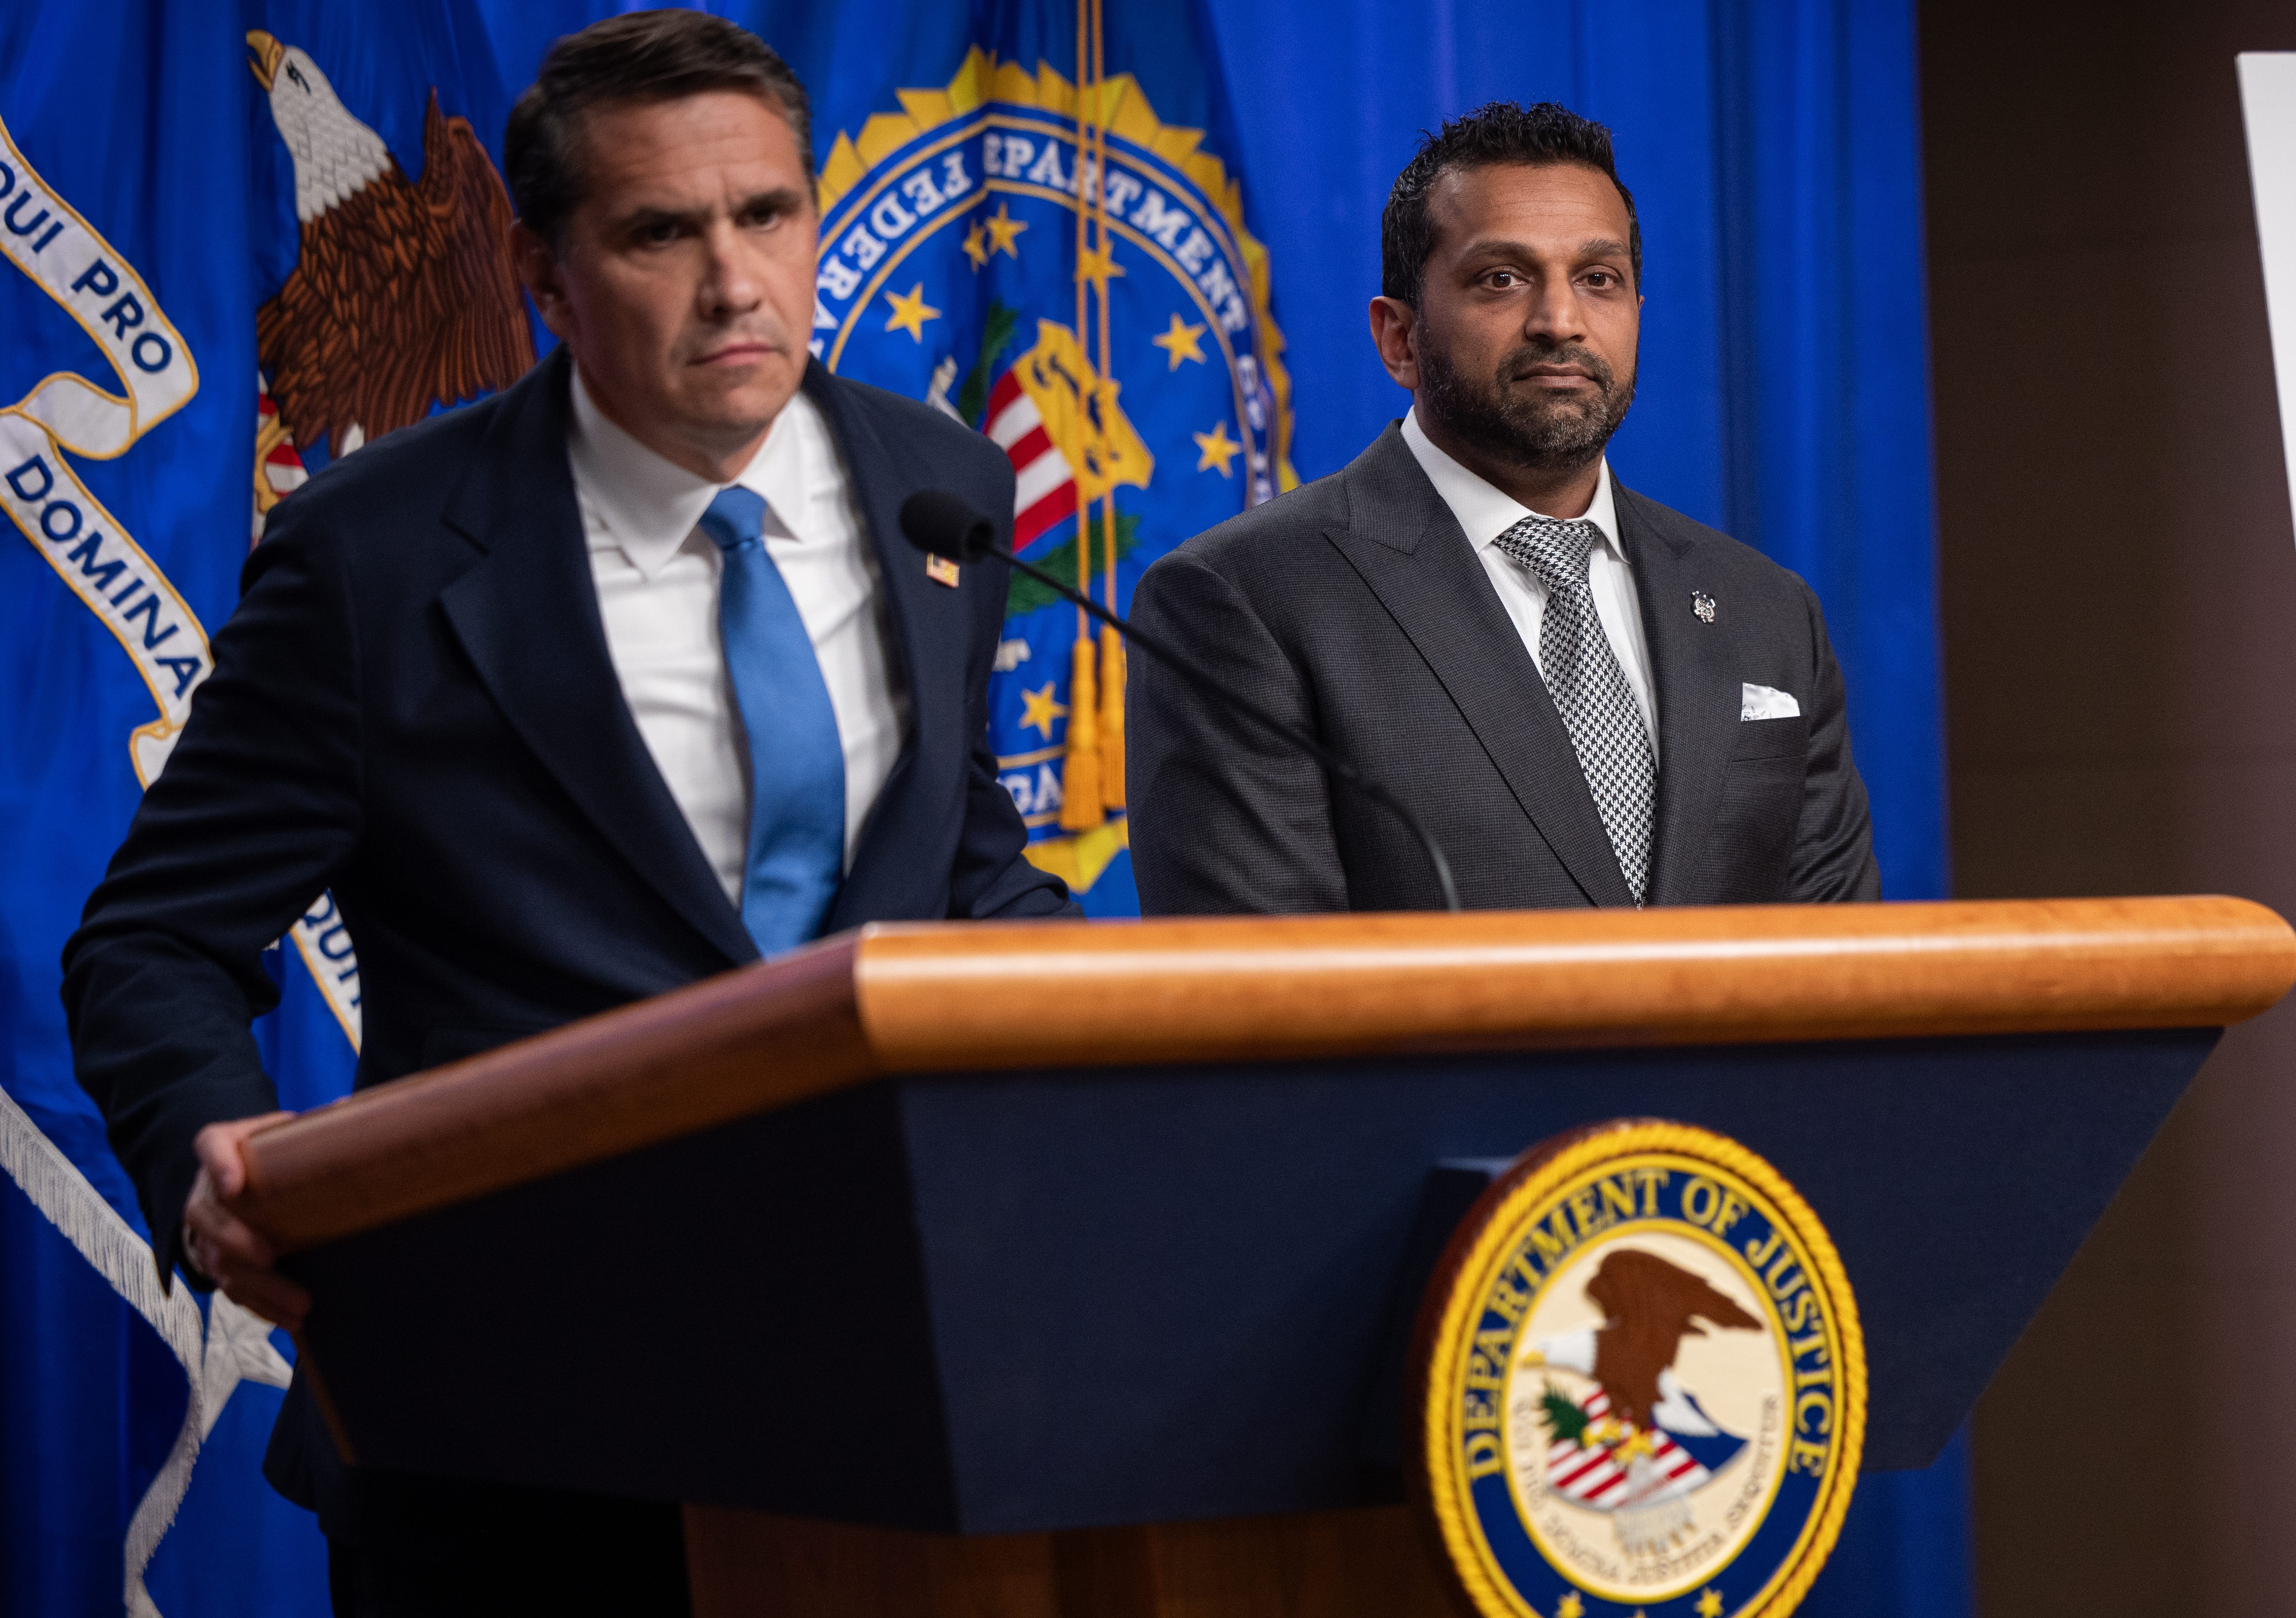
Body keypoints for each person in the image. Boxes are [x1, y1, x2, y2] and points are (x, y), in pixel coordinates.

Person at [61, 11, 1063, 1611]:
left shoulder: (936, 482)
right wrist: (216, 1150)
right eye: (662, 233)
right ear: (542, 273)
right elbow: (155, 939)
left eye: (767, 214)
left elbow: (957, 859)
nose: (734, 282)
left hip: (895, 1388)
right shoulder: (370, 554)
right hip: (505, 1434)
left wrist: (1097, 1025)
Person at [1127, 103, 1878, 913]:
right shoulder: (1242, 599)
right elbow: (1268, 973)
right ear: (1399, 339)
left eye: (1598, 279)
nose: (1561, 322)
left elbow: (1844, 959)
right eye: (1502, 279)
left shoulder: (1769, 611)